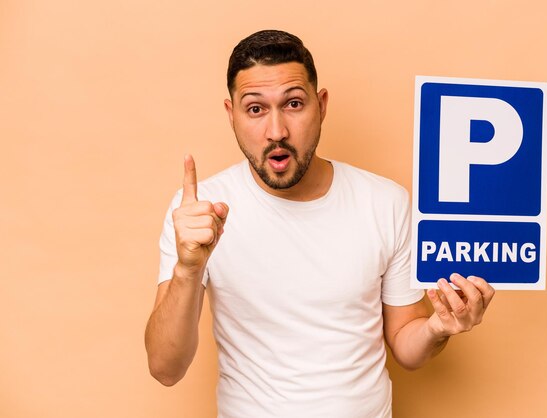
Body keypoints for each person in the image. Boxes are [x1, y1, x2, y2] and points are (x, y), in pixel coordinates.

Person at [145, 29, 495, 417]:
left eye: (293, 104)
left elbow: (406, 344)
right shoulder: (197, 213)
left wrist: (438, 328)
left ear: (321, 104)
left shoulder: (385, 202)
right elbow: (165, 368)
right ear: (232, 115)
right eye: (256, 109)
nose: (276, 131)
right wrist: (188, 270)